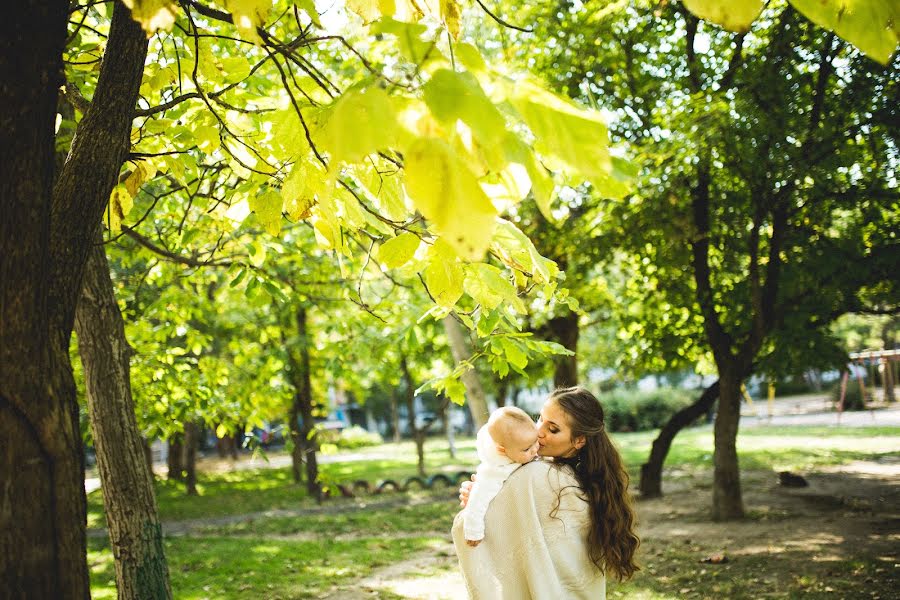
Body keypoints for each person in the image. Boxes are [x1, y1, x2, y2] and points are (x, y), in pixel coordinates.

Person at [452, 386, 640, 599]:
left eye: (553, 429)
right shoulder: (586, 476)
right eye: (540, 419)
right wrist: (484, 496)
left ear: (579, 440)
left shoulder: (541, 475)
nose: (539, 431)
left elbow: (475, 527)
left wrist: (480, 505)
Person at [462, 406, 540, 547]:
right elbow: (477, 500)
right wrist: (473, 531)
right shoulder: (494, 471)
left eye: (536, 441)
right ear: (503, 450)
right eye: (527, 449)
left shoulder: (523, 448)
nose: (535, 450)